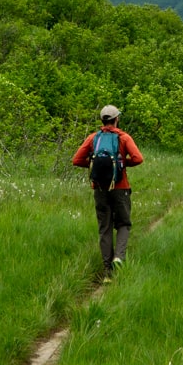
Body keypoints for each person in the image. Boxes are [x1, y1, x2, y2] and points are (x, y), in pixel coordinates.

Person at [72, 105, 144, 281]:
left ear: (102, 120)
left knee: (104, 228)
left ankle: (107, 272)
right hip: (120, 188)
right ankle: (118, 257)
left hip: (100, 189)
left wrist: (94, 165)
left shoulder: (93, 138)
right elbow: (138, 158)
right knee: (123, 224)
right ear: (116, 119)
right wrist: (121, 164)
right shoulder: (123, 138)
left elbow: (76, 160)